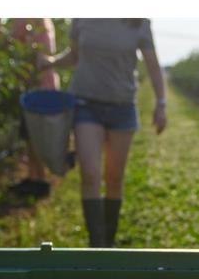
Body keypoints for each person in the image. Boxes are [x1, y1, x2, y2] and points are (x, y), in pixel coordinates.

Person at [41, 18, 167, 247]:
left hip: (122, 107)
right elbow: (74, 55)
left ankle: (108, 242)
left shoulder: (137, 21)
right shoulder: (83, 18)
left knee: (114, 178)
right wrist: (50, 61)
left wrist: (161, 103)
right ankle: (96, 244)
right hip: (86, 104)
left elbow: (152, 65)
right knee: (90, 173)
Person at [9, 18, 60, 198]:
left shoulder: (31, 19)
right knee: (31, 137)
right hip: (42, 85)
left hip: (38, 86)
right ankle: (34, 177)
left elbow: (14, 44)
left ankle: (39, 180)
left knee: (34, 136)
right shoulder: (42, 20)